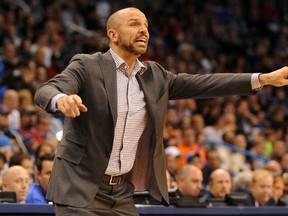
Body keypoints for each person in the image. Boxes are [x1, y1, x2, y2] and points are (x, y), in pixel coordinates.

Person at [34, 7, 288, 216]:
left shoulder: (154, 75)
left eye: (145, 25)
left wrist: (262, 78)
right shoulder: (87, 65)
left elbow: (204, 83)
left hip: (121, 192)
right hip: (80, 188)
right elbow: (48, 88)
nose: (143, 29)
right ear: (113, 34)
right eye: (134, 24)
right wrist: (61, 99)